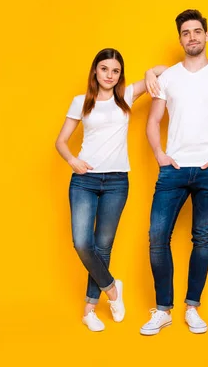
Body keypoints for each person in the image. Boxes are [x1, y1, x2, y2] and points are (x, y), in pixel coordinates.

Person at [140, 9, 208, 335]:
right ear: (180, 39)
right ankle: (162, 309)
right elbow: (154, 120)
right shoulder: (168, 76)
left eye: (197, 31)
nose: (192, 37)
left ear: (207, 35)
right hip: (173, 169)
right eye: (186, 33)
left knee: (202, 238)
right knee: (158, 237)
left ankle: (193, 308)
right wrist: (159, 154)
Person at [55, 48, 165, 331]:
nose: (109, 75)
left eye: (115, 71)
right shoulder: (81, 102)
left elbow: (163, 69)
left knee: (103, 246)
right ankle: (113, 288)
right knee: (82, 243)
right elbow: (61, 141)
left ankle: (89, 310)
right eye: (104, 69)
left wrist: (149, 73)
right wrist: (72, 160)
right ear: (95, 71)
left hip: (117, 181)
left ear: (120, 75)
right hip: (85, 180)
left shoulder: (126, 96)